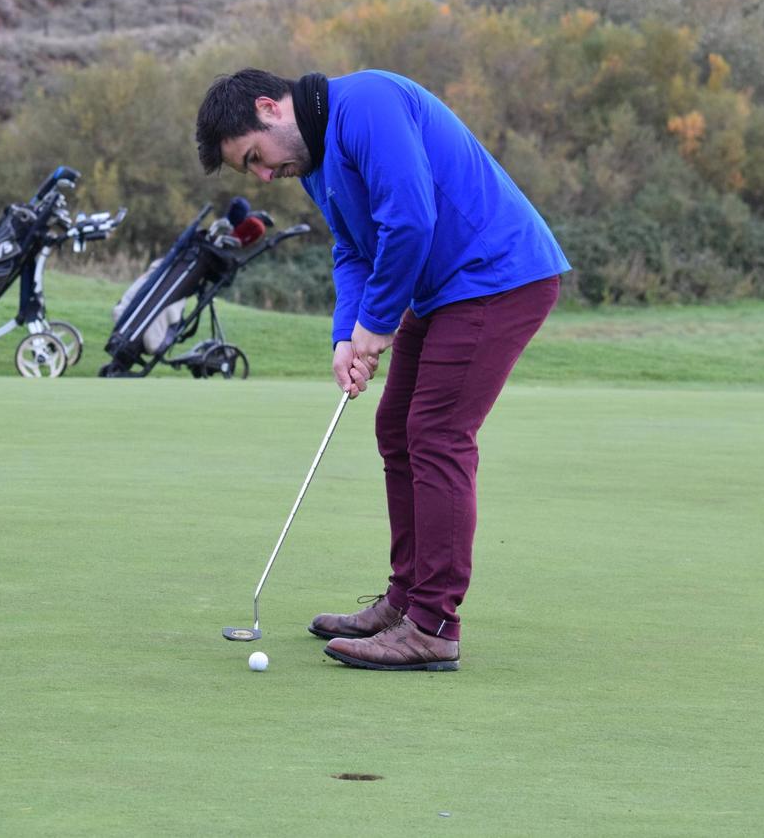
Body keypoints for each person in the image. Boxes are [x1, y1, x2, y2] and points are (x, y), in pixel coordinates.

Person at [196, 68, 569, 671]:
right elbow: (352, 249)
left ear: (270, 107)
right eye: (252, 171)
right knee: (395, 428)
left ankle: (434, 625)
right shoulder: (316, 164)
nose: (264, 176)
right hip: (444, 288)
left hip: (497, 276)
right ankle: (405, 600)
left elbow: (412, 219)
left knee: (438, 434)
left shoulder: (366, 102)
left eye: (256, 158)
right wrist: (348, 334)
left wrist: (378, 319)